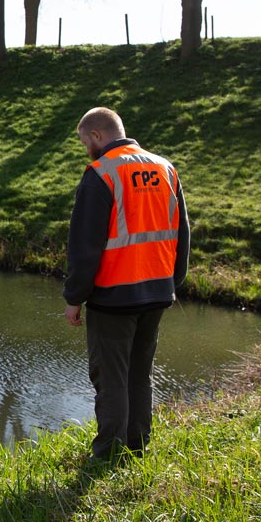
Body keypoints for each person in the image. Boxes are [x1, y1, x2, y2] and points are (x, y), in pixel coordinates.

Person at [62, 107, 190, 462]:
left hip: (114, 296)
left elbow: (85, 247)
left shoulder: (101, 173)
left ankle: (107, 454)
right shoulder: (165, 168)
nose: (86, 148)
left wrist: (74, 297)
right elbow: (182, 234)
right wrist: (171, 283)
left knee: (111, 377)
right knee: (139, 374)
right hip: (157, 291)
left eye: (85, 141)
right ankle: (137, 446)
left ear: (98, 136)